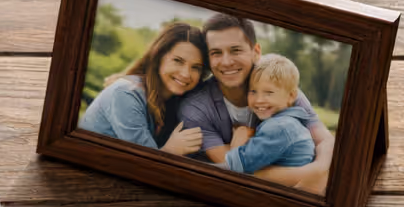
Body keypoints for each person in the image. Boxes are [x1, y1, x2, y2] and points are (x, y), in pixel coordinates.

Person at [179, 13, 335, 193]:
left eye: (236, 50)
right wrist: (310, 174)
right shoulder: (195, 108)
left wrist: (316, 170)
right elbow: (235, 169)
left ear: (256, 52)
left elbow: (325, 140)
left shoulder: (278, 86)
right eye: (216, 53)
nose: (227, 61)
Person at [78, 22, 206, 156]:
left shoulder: (174, 102)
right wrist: (171, 150)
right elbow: (144, 162)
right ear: (158, 57)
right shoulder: (126, 93)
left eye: (196, 67)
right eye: (178, 61)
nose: (186, 74)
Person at [223, 54, 315, 174]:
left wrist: (237, 144)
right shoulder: (292, 123)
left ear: (291, 96)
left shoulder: (279, 127)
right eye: (253, 91)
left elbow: (235, 168)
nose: (259, 100)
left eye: (269, 93)